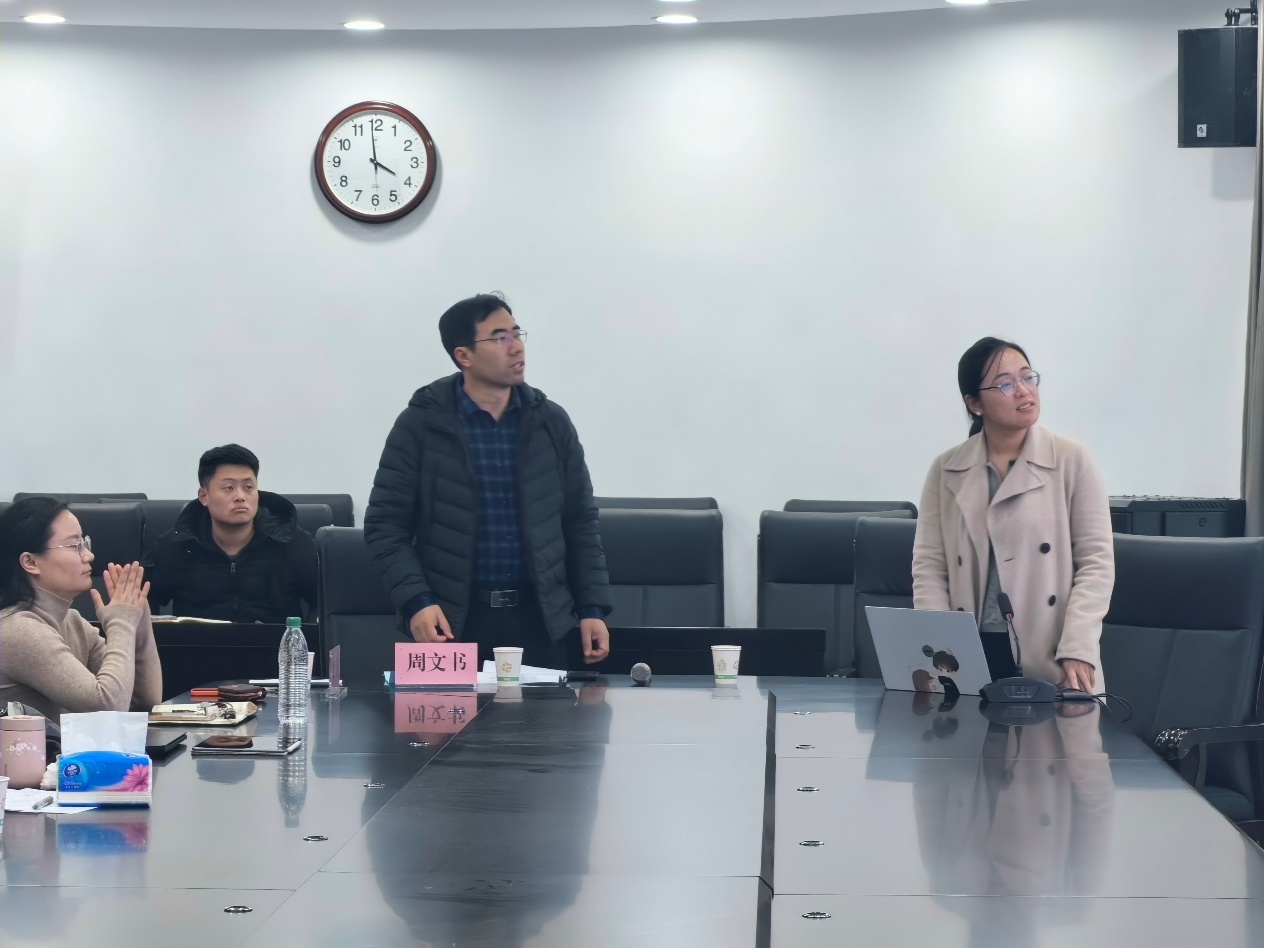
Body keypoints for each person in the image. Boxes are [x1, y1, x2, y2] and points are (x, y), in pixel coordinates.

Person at [364, 293, 612, 668]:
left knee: (549, 710)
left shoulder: (550, 422)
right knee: (448, 711)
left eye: (517, 334)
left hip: (543, 622)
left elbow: (580, 520)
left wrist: (592, 608)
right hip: (451, 623)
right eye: (499, 338)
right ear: (463, 355)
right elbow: (385, 525)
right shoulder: (421, 425)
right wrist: (417, 601)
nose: (516, 347)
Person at [912, 337, 1114, 693]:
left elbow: (1096, 563)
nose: (1023, 391)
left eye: (1027, 377)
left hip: (1052, 651)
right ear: (974, 403)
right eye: (1005, 384)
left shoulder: (1072, 459)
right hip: (968, 650)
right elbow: (930, 564)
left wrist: (1078, 647)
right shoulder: (946, 469)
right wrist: (940, 645)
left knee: (1059, 730)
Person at [0, 498, 162, 722]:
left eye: (84, 543)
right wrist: (121, 624)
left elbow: (141, 700)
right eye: (74, 546)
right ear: (30, 562)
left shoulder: (71, 621)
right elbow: (108, 705)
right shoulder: (20, 630)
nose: (89, 555)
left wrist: (138, 619)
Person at [143, 444, 317, 623]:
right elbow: (144, 600)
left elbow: (325, 601)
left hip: (276, 641)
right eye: (229, 488)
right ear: (204, 497)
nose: (240, 496)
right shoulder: (176, 545)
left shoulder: (292, 542)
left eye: (248, 487)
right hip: (198, 640)